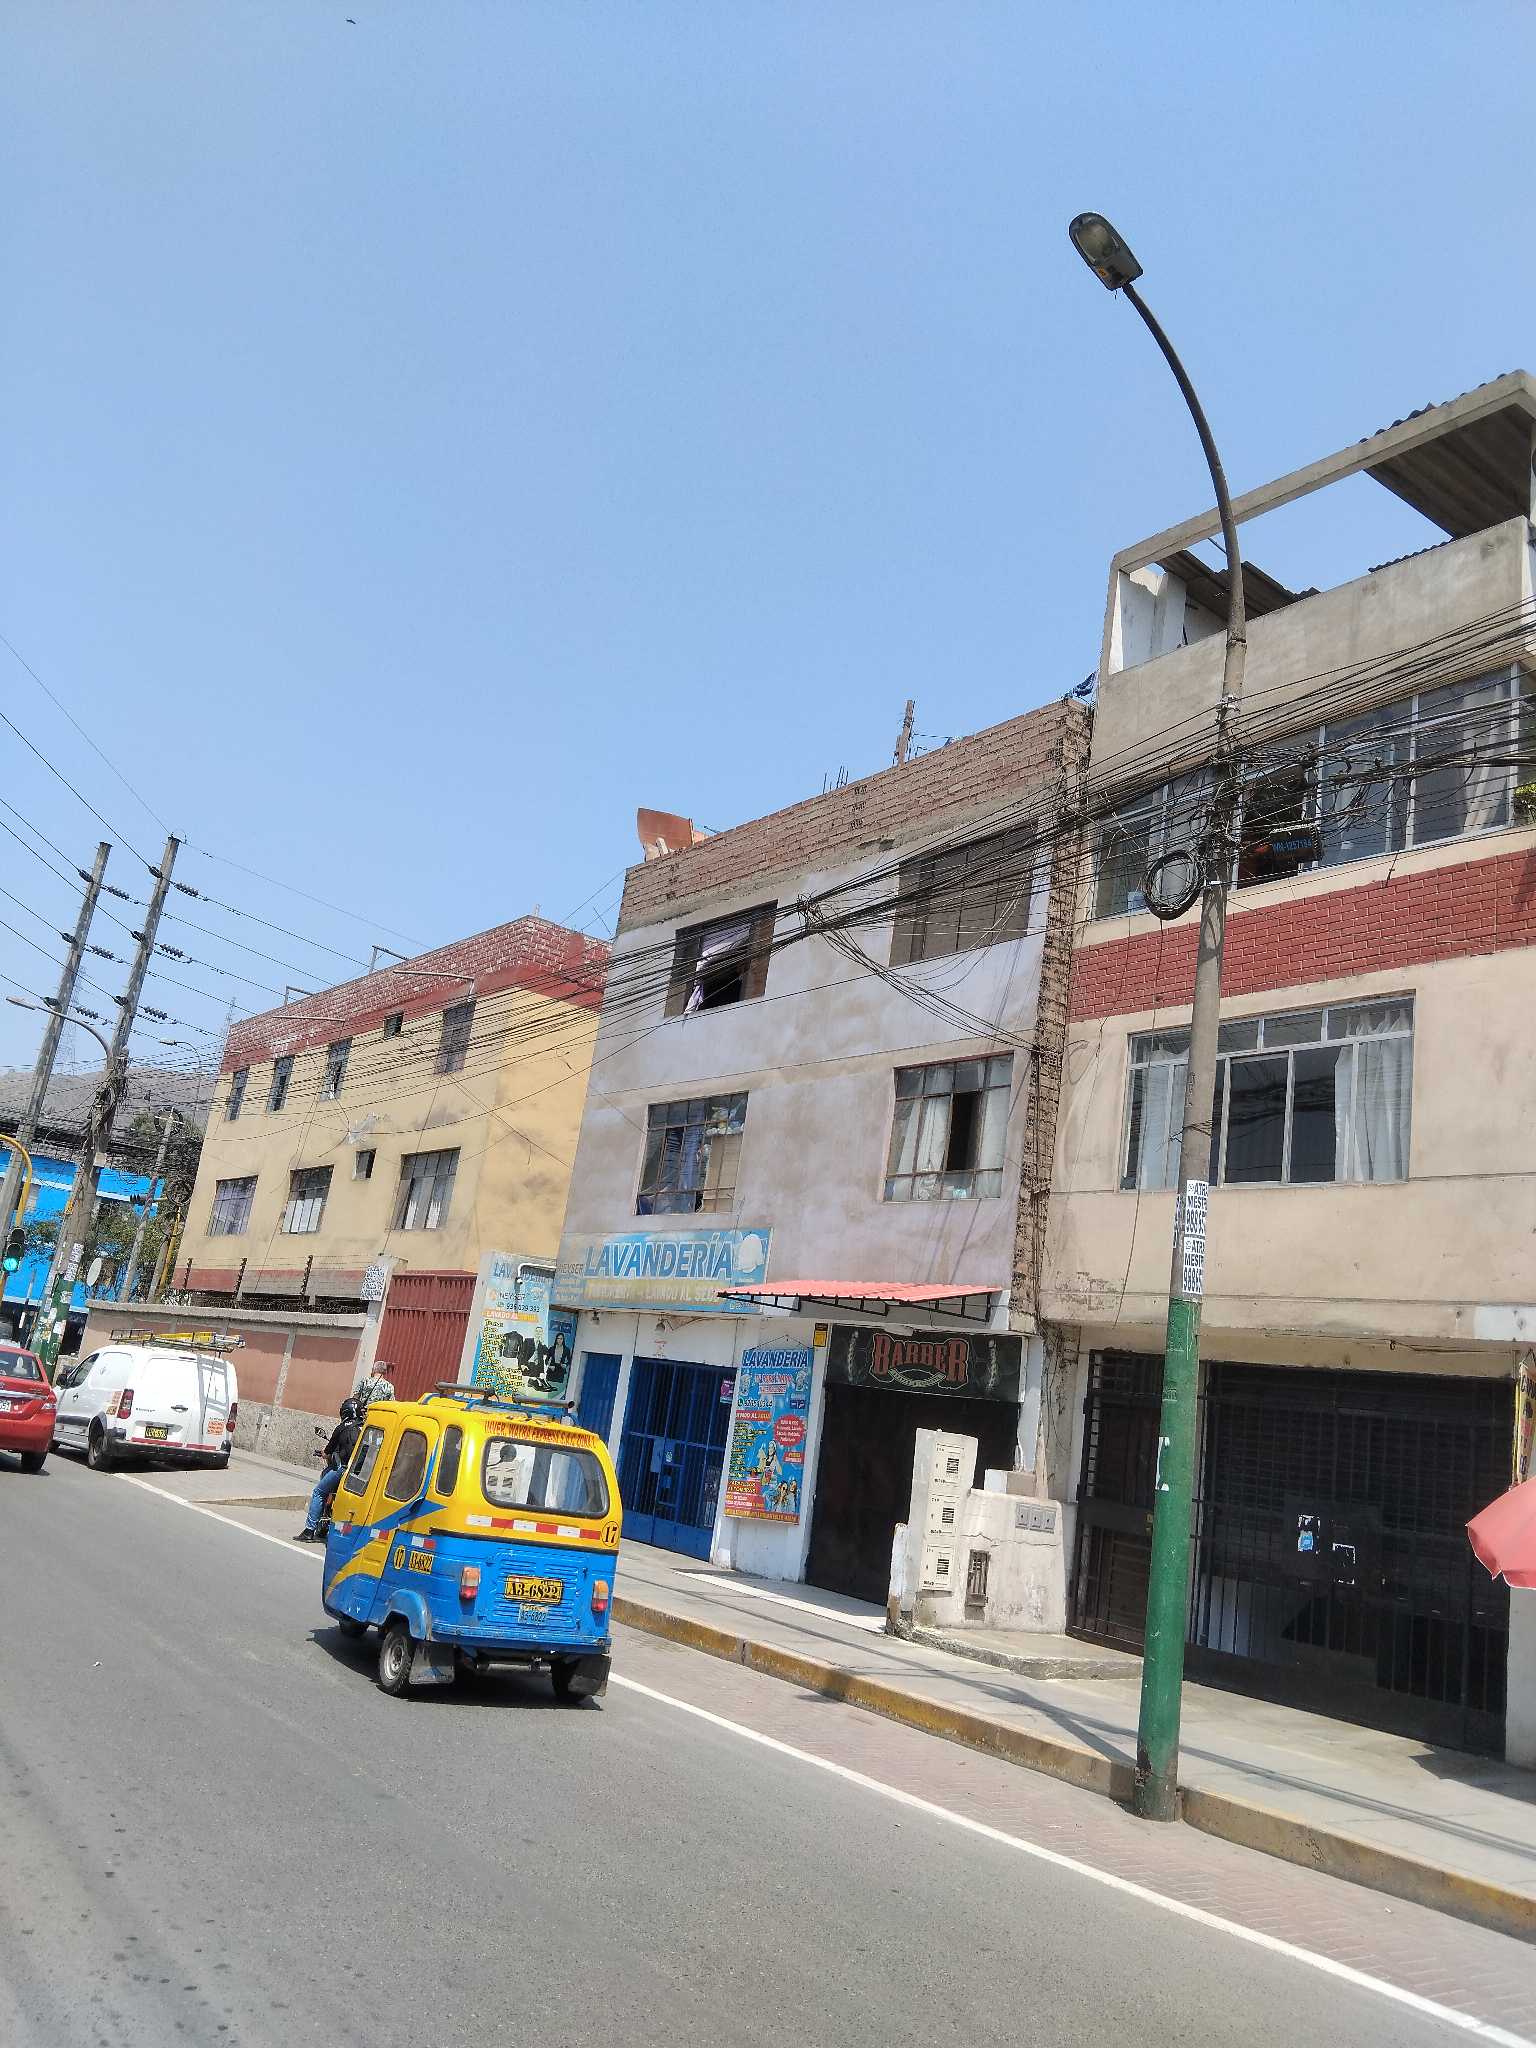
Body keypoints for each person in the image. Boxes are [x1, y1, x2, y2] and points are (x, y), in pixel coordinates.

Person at [296, 1395, 363, 1543]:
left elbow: (328, 1452)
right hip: (362, 1473)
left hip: (343, 1469)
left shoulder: (342, 1428)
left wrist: (324, 1454)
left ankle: (309, 1531)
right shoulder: (365, 1428)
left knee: (319, 1492)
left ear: (345, 1412)